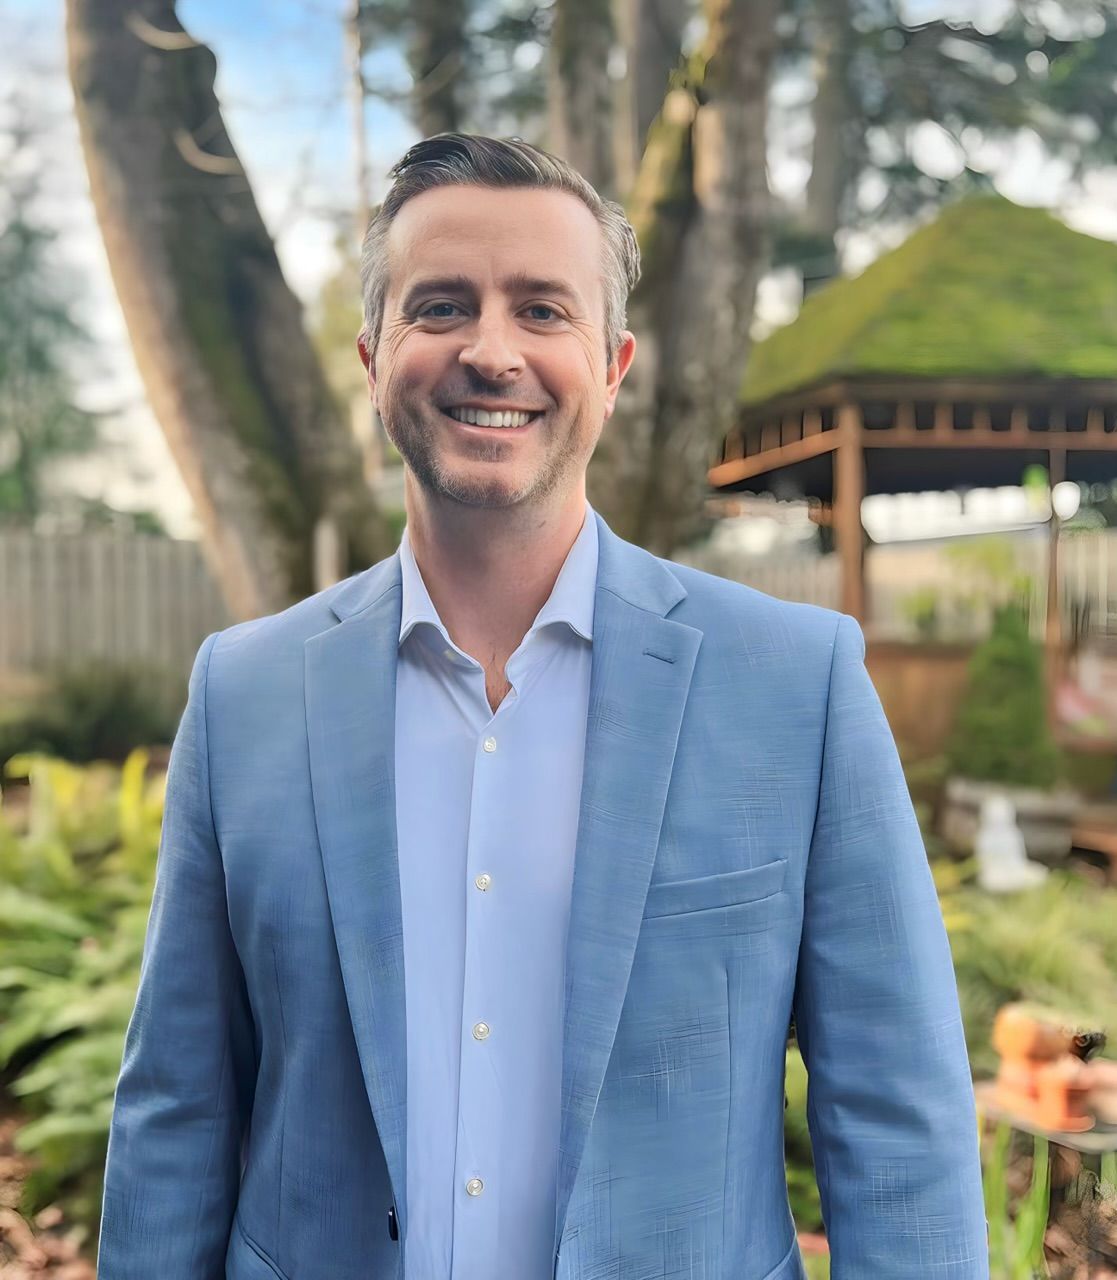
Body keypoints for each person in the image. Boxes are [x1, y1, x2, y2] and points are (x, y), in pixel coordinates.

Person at [96, 134, 989, 1280]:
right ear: (374, 360)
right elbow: (177, 1104)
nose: (490, 350)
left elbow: (897, 1113)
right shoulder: (244, 692)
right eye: (441, 306)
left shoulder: (796, 684)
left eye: (541, 310)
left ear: (613, 367)